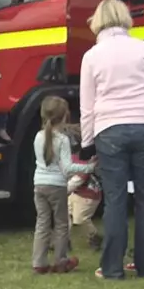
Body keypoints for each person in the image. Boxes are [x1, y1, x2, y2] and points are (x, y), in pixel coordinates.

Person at [79, 0, 144, 280]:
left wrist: (86, 143)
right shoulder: (143, 48)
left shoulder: (92, 56)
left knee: (115, 200)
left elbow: (87, 106)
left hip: (110, 127)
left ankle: (112, 267)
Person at [30, 96, 91, 275]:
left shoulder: (38, 136)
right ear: (65, 116)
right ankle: (61, 260)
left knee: (42, 223)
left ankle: (39, 262)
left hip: (39, 184)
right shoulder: (62, 140)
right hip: (56, 186)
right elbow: (67, 168)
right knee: (61, 224)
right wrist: (90, 167)